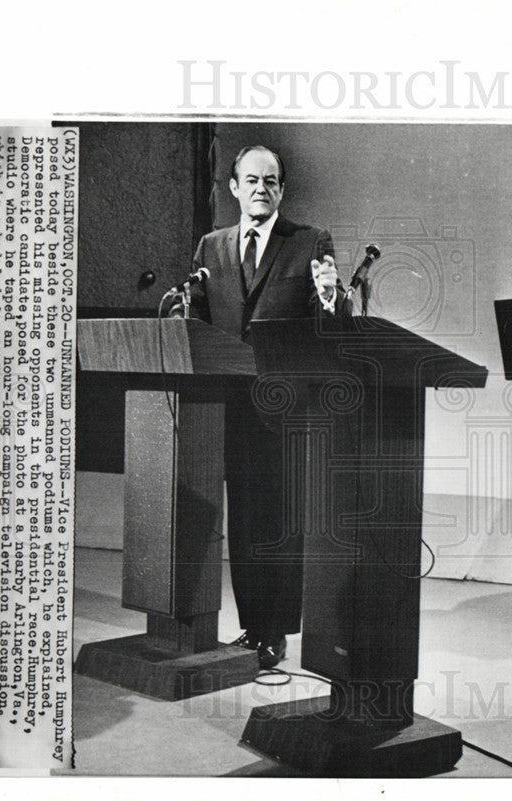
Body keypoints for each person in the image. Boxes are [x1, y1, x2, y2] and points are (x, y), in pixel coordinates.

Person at [176, 145, 348, 668]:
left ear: (281, 190)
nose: (260, 189)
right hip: (225, 407)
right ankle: (253, 627)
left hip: (285, 409)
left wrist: (330, 297)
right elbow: (197, 324)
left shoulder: (308, 242)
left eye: (271, 181)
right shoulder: (211, 247)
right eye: (251, 180)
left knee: (278, 523)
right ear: (233, 187)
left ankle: (275, 630)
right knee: (244, 522)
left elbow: (333, 318)